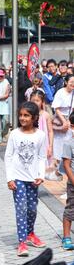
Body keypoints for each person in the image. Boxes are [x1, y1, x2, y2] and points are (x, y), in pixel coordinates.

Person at [5, 102, 47, 257]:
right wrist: (10, 178)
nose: (22, 118)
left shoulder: (40, 135)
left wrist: (41, 175)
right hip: (18, 178)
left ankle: (30, 234)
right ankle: (22, 242)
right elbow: (8, 156)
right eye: (21, 115)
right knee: (21, 209)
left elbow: (42, 157)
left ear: (34, 117)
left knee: (32, 209)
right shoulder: (15, 134)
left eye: (26, 115)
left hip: (33, 179)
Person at [29, 91, 55, 181]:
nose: (35, 103)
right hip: (31, 143)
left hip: (44, 144)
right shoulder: (27, 115)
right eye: (33, 100)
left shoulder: (46, 115)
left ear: (42, 102)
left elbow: (50, 131)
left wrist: (50, 146)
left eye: (37, 100)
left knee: (41, 166)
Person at [52, 75, 74, 178]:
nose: (73, 84)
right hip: (61, 120)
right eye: (71, 81)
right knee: (59, 145)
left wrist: (69, 121)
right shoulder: (60, 92)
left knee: (67, 144)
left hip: (70, 120)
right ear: (66, 82)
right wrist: (64, 121)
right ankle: (57, 170)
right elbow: (56, 108)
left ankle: (64, 170)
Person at [61, 112, 74, 250]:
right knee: (71, 209)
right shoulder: (68, 143)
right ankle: (66, 237)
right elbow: (66, 165)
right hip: (73, 183)